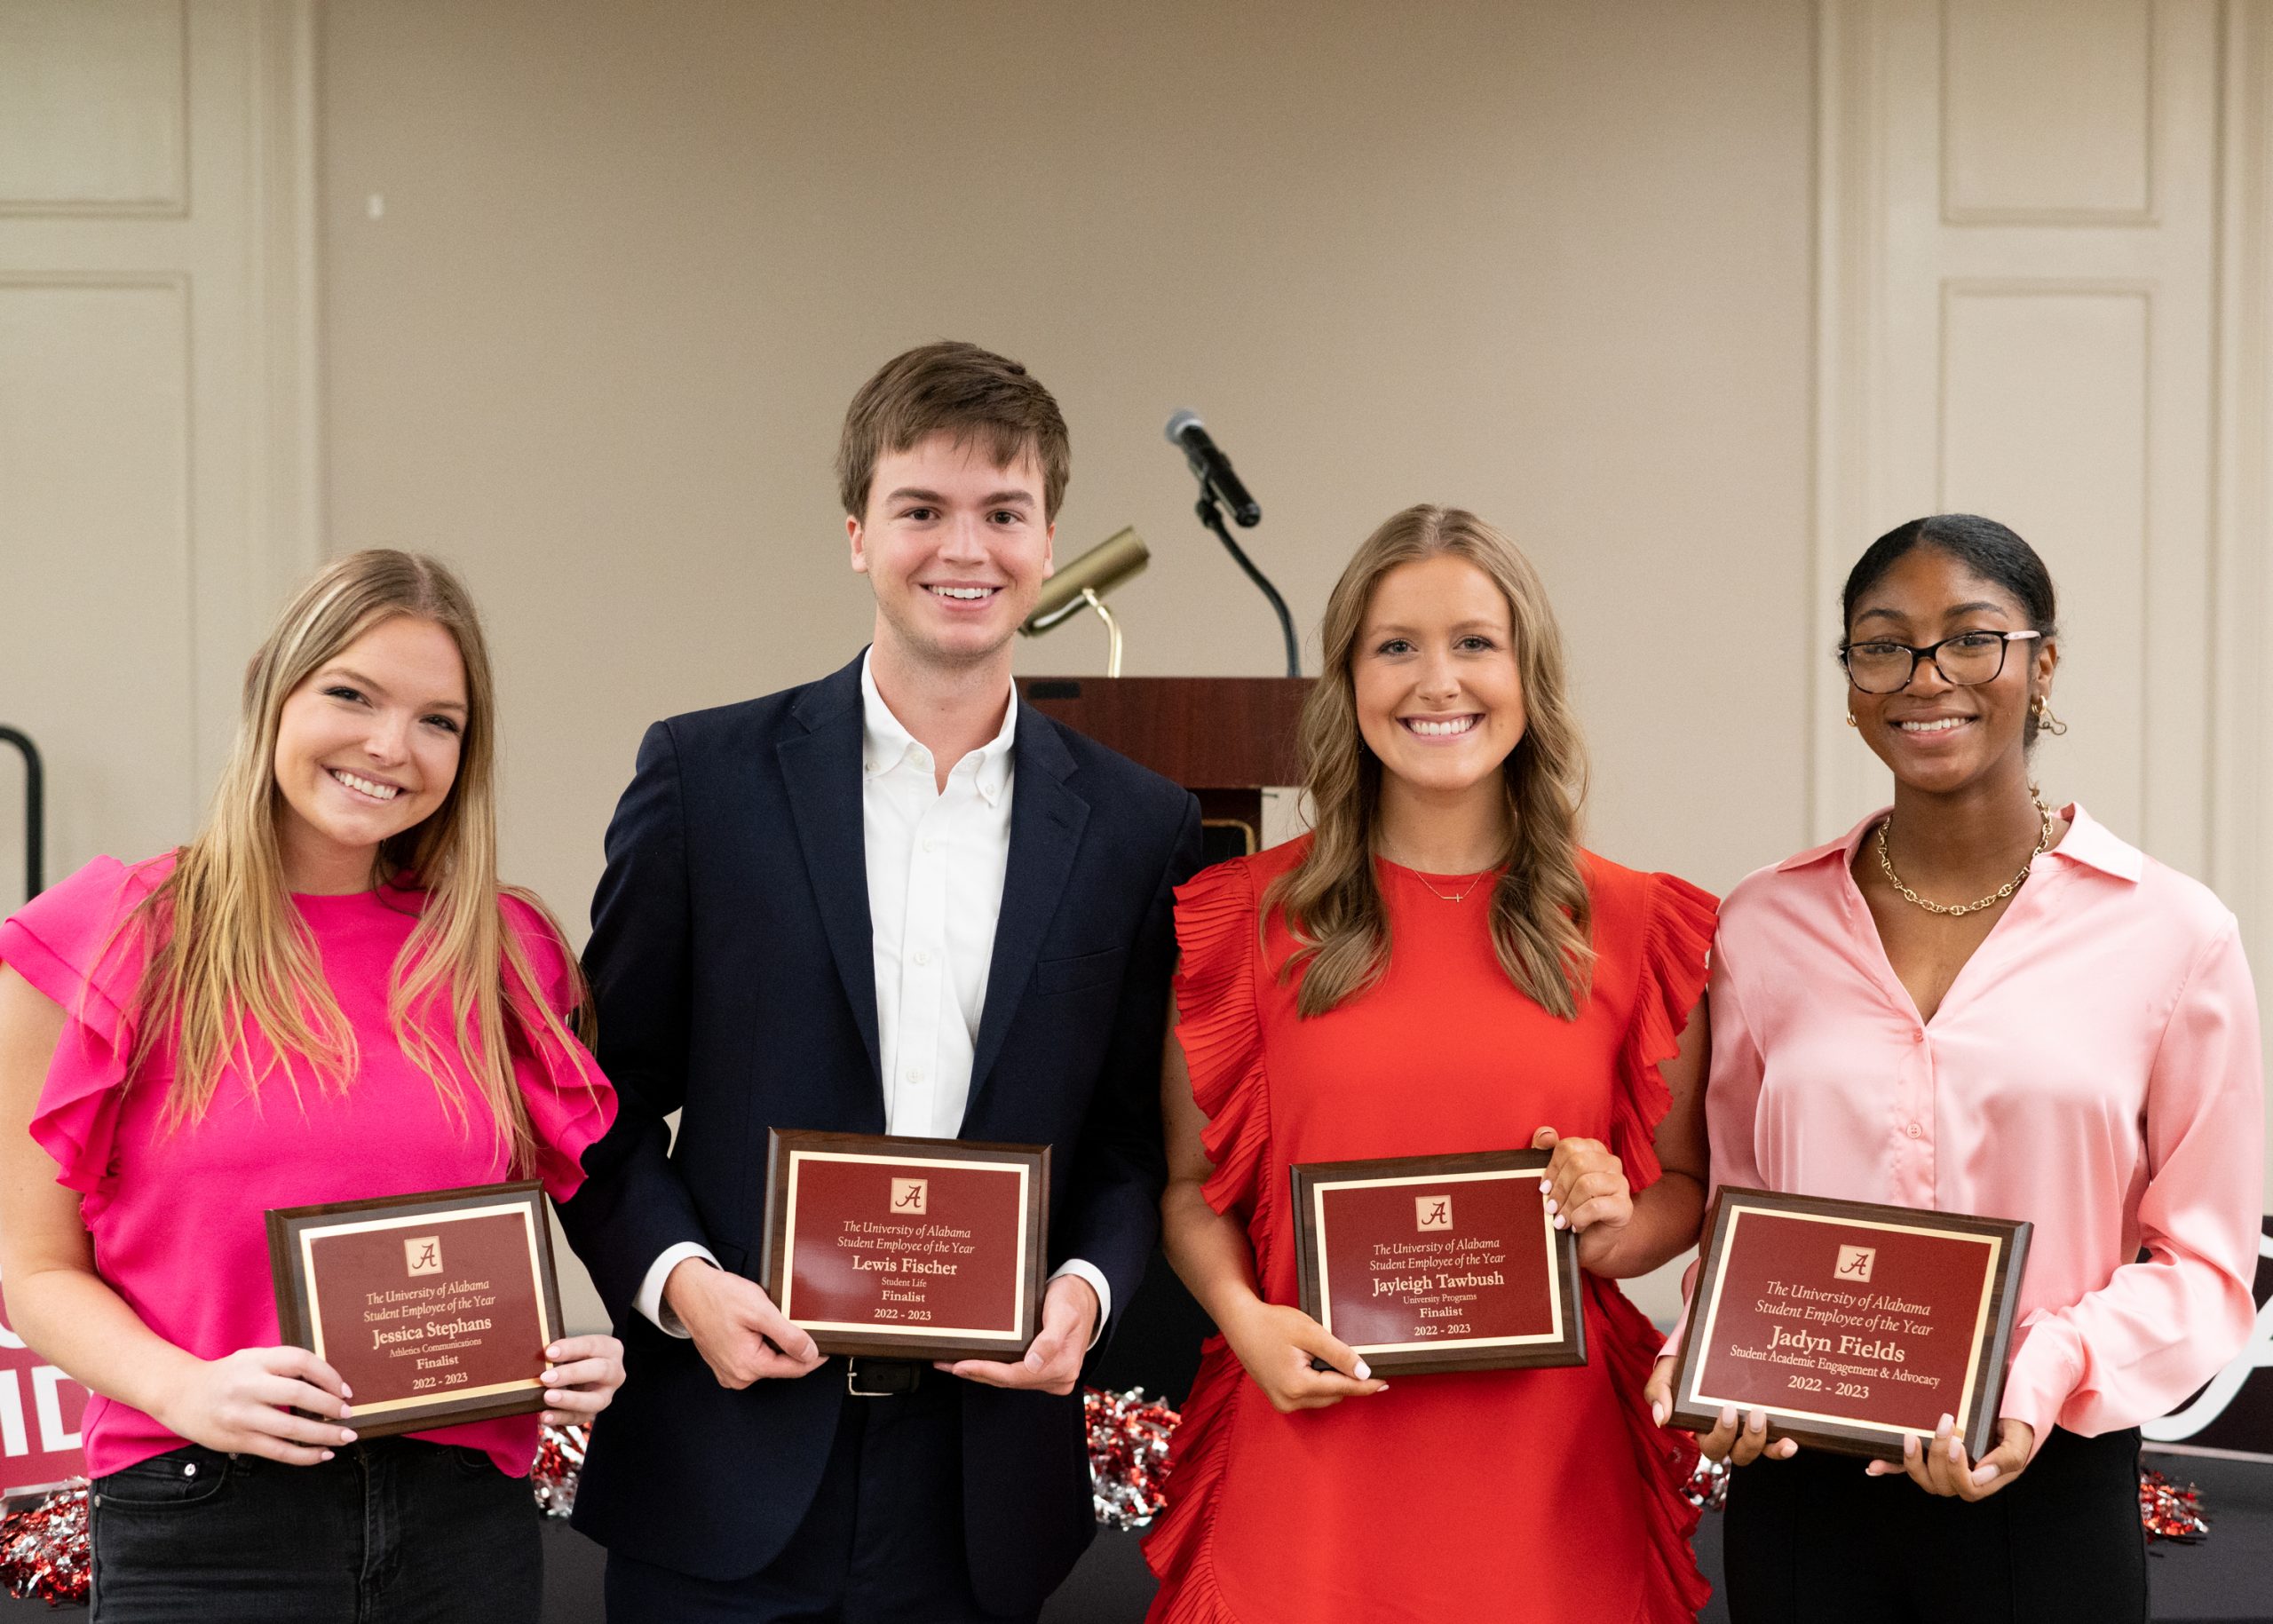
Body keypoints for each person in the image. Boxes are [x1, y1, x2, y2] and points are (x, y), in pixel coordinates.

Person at [557, 340, 1204, 1622]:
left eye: (1003, 514)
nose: (964, 548)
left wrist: (1084, 1297)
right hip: (723, 1460)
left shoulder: (1139, 826)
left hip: (979, 1493)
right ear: (859, 533)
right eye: (922, 510)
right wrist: (685, 1287)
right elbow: (594, 1104)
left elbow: (1135, 1141)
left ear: (1046, 536)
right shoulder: (704, 780)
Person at [1646, 515, 2264, 1622]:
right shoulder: (1762, 921)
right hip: (1800, 1486)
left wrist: (2041, 1371)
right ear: (1850, 683)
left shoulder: (2175, 933)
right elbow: (1739, 1208)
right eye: (1883, 644)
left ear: (2041, 662)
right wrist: (1713, 1355)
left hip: (2045, 1483)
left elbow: (2205, 1261)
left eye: (1971, 638)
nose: (1925, 677)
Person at [0, 550, 624, 1622]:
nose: (392, 745)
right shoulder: (102, 935)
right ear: (269, 689)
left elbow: (515, 1235)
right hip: (203, 1509)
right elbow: (31, 1265)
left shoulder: (506, 951)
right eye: (351, 693)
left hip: (463, 1516)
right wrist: (181, 1386)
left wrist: (570, 1358)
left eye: (440, 719)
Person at [1146, 504, 1715, 1622]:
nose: (1435, 680)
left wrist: (1615, 1222)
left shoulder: (1643, 924)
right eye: (1394, 645)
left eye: (1473, 642)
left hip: (1547, 1477)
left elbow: (1682, 1191)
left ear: (1527, 671)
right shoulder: (1238, 921)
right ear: (1347, 680)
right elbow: (1187, 1187)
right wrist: (1240, 1314)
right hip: (1309, 1445)